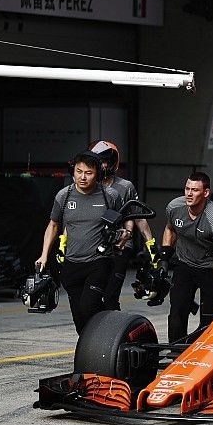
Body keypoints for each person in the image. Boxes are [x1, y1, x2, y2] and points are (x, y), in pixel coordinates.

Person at [36, 150, 128, 334]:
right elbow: (53, 225)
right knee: (80, 319)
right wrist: (44, 255)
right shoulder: (64, 196)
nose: (83, 177)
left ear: (98, 174)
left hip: (99, 261)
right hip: (71, 264)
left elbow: (122, 224)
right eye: (79, 171)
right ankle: (99, 340)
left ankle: (109, 335)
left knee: (88, 306)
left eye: (88, 173)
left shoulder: (110, 196)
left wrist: (124, 235)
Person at [160, 172, 213, 342]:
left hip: (210, 268)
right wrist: (164, 258)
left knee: (208, 320)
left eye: (194, 190)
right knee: (176, 314)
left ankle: (203, 353)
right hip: (184, 264)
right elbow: (170, 229)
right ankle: (176, 351)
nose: (189, 193)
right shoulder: (174, 207)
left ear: (206, 193)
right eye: (187, 188)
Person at [89, 140, 156, 311]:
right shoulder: (87, 186)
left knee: (110, 296)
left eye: (105, 161)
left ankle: (114, 326)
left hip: (120, 246)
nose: (102, 165)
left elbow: (138, 217)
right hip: (94, 246)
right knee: (92, 297)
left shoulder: (125, 187)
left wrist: (151, 246)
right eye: (98, 161)